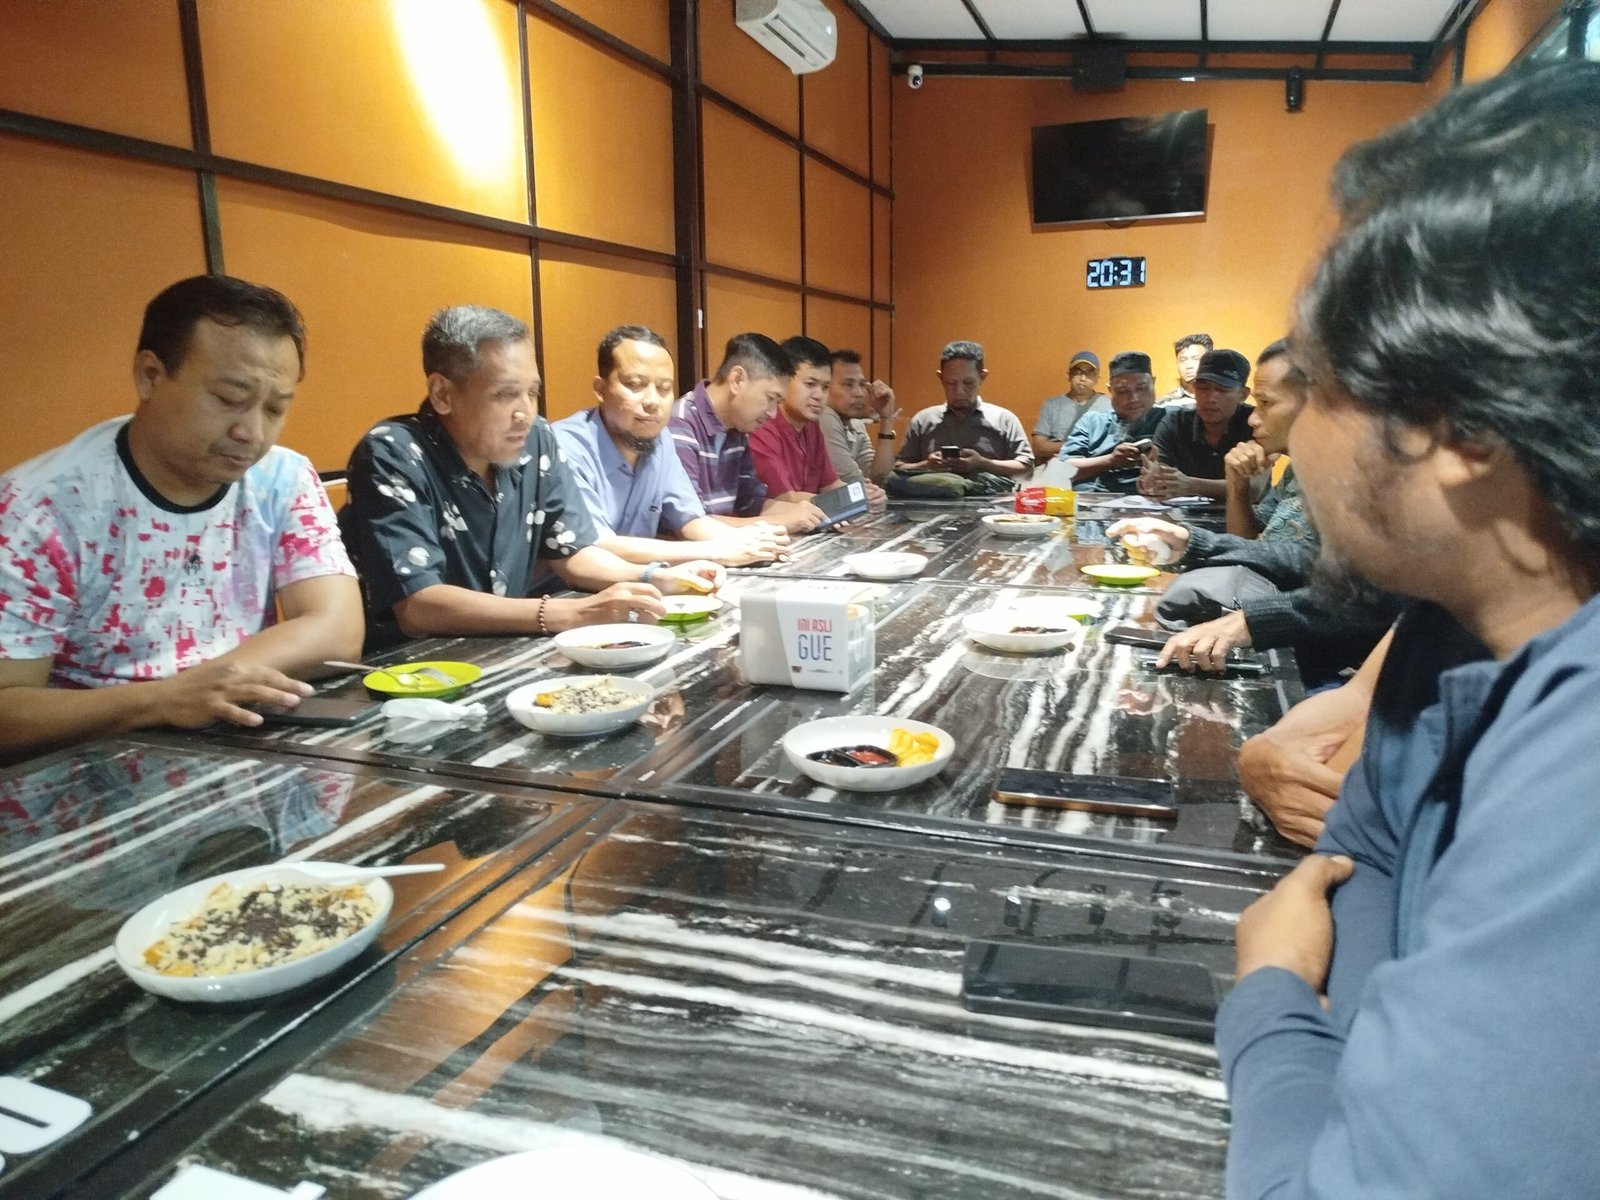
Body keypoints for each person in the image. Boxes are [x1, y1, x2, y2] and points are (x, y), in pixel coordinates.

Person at [1218, 61, 1600, 1198]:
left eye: (1317, 384)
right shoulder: (1449, 630)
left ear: (1461, 427)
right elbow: (1362, 864)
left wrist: (1269, 998)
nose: (1292, 438)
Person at [0, 275, 363, 764]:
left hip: (238, 755)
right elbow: (7, 708)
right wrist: (164, 700)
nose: (252, 432)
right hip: (92, 772)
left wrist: (207, 688)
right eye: (229, 399)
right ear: (150, 375)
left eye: (276, 408)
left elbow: (338, 629)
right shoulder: (40, 508)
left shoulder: (282, 478)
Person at [342, 306, 719, 649]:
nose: (524, 413)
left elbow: (572, 552)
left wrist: (652, 578)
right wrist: (570, 613)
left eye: (532, 392)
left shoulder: (536, 439)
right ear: (443, 394)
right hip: (407, 667)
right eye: (506, 394)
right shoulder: (393, 453)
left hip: (504, 648)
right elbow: (419, 605)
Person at [1108, 340, 1396, 689]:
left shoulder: (1364, 480)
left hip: (1313, 654)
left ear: (1319, 404)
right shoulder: (1300, 470)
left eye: (1265, 403)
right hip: (1273, 622)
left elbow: (1363, 596)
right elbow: (1295, 555)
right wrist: (1197, 536)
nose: (1253, 418)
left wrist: (1251, 621)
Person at [551, 325, 787, 570]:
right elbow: (597, 545)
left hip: (637, 581)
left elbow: (691, 521)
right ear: (601, 389)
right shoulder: (565, 446)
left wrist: (746, 540)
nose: (652, 401)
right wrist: (716, 551)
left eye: (664, 388)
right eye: (635, 384)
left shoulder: (660, 439)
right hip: (564, 589)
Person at [668, 333, 825, 533]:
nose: (773, 413)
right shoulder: (680, 423)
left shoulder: (737, 428)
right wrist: (784, 521)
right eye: (771, 398)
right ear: (737, 380)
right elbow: (693, 524)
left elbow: (751, 502)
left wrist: (808, 512)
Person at [891, 340, 1033, 496]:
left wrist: (982, 463)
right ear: (940, 378)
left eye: (968, 383)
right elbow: (899, 468)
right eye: (951, 383)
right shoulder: (923, 420)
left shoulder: (1004, 420)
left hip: (992, 504)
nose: (959, 391)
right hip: (933, 503)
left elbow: (1026, 468)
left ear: (982, 377)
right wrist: (927, 465)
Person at [747, 335, 849, 506]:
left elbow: (831, 485)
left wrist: (863, 495)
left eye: (825, 387)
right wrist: (846, 498)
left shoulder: (812, 426)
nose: (819, 395)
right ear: (785, 380)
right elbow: (785, 499)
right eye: (810, 384)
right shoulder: (762, 425)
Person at [1142, 348, 1255, 500]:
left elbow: (1255, 489)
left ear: (1243, 395)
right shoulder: (1175, 423)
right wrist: (1151, 481)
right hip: (1184, 513)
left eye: (1222, 390)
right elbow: (1161, 479)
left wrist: (1191, 485)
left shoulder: (1256, 423)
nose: (1210, 398)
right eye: (1203, 388)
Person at [1059, 351, 1168, 492]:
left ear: (1153, 383)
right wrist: (1110, 460)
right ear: (1110, 390)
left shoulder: (1171, 420)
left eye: (1141, 388)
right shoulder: (1092, 422)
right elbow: (1063, 469)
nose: (1133, 398)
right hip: (1094, 500)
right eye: (1123, 391)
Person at [818, 348, 894, 505]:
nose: (859, 393)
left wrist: (886, 419)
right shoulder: (824, 416)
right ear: (825, 386)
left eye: (862, 384)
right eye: (848, 385)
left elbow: (879, 478)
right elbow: (853, 483)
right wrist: (872, 493)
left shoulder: (856, 424)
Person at [1031, 349, 1110, 461]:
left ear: (1097, 378)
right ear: (1068, 375)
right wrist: (1079, 445)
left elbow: (1110, 445)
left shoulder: (1108, 406)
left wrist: (1059, 447)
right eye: (1078, 372)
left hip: (1094, 466)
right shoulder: (1051, 405)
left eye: (1089, 374)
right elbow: (1039, 446)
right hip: (1056, 466)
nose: (1083, 378)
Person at [1158, 332, 1212, 406]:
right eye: (1183, 360)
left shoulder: (1221, 399)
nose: (1189, 366)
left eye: (1196, 358)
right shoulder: (1165, 405)